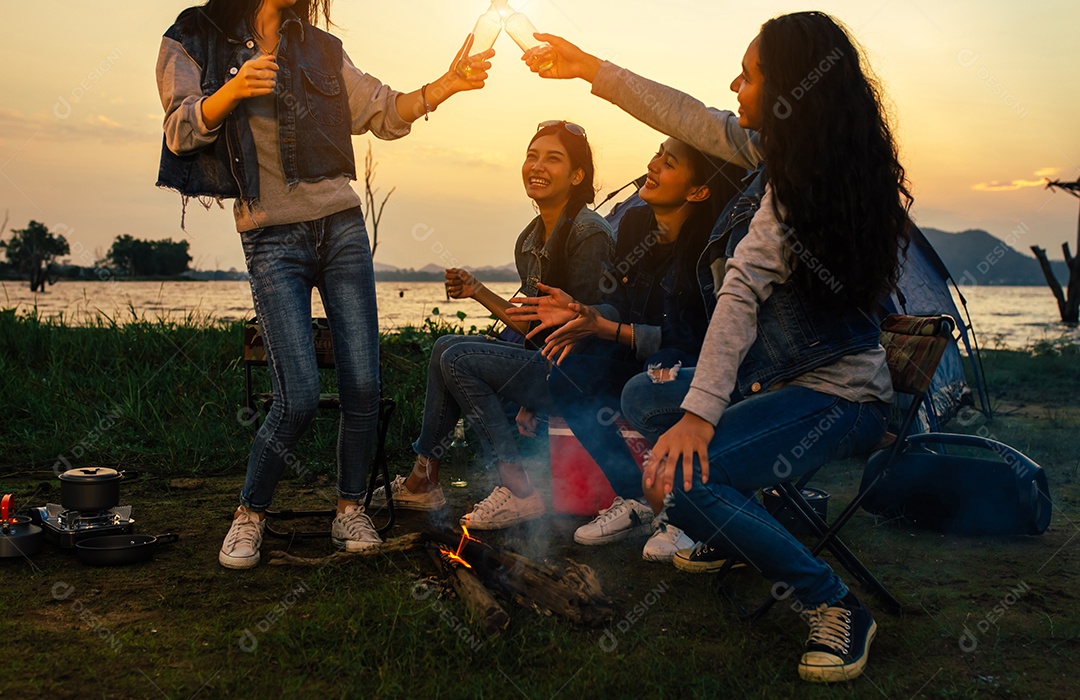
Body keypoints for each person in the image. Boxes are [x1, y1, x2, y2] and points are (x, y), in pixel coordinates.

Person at [526, 11, 910, 684]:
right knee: (646, 398)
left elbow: (740, 293)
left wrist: (701, 417)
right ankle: (729, 527)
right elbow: (688, 114)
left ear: (791, 86)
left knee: (685, 479)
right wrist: (591, 67)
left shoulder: (803, 185)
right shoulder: (779, 154)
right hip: (776, 383)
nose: (735, 84)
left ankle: (834, 603)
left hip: (839, 395)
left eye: (750, 74)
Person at [156, 0, 493, 569]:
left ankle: (348, 510)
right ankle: (249, 515)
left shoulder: (319, 47)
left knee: (363, 386)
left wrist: (448, 85)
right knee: (300, 397)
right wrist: (232, 91)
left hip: (340, 228)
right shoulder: (194, 33)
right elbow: (178, 130)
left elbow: (383, 111)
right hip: (270, 236)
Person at [506, 138, 743, 562]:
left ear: (698, 191)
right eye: (656, 153)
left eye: (668, 164)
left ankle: (682, 512)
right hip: (640, 356)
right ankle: (634, 496)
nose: (651, 166)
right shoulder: (635, 227)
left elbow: (695, 337)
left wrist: (609, 327)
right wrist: (585, 312)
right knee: (570, 374)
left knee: (656, 370)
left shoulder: (709, 246)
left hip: (694, 366)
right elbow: (621, 305)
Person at [369, 121, 614, 529]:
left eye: (553, 158)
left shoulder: (590, 234)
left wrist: (526, 393)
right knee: (446, 345)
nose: (537, 165)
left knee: (460, 357)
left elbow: (582, 328)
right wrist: (476, 289)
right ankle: (423, 476)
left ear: (577, 175)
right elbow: (530, 323)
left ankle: (518, 488)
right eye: (532, 156)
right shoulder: (530, 239)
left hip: (581, 376)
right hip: (548, 362)